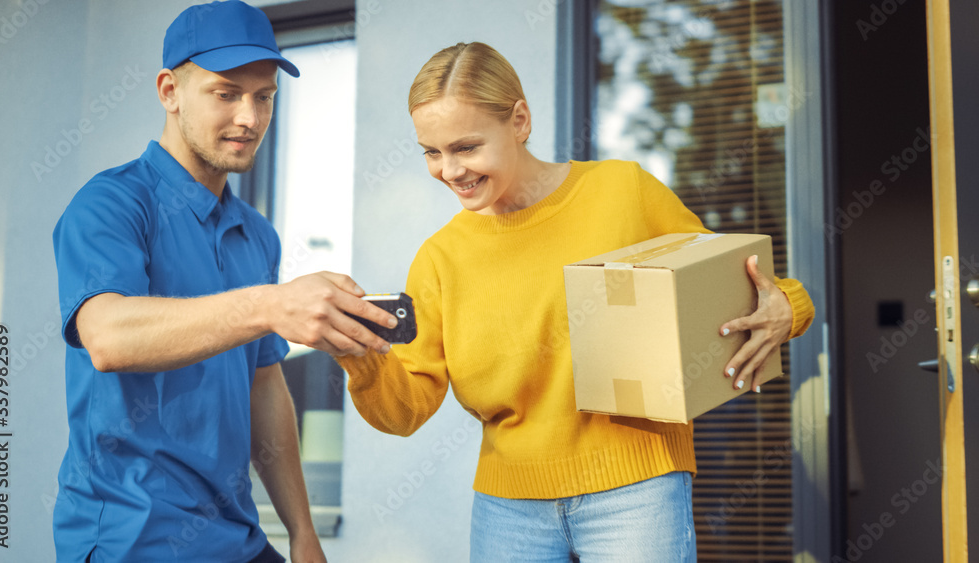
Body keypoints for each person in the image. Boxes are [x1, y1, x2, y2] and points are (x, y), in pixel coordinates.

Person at [333, 42, 815, 562]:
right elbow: (406, 410)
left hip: (638, 490)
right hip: (507, 509)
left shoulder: (621, 192)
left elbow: (723, 285)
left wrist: (790, 305)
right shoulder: (440, 257)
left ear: (520, 120)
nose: (449, 170)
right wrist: (357, 355)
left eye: (466, 148)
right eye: (432, 152)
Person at [51, 2, 397, 561]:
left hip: (237, 540)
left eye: (264, 97)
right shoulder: (111, 204)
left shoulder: (257, 236)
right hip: (132, 540)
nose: (250, 117)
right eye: (226, 93)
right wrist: (268, 305)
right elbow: (108, 338)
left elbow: (265, 387)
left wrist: (303, 532)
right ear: (170, 91)